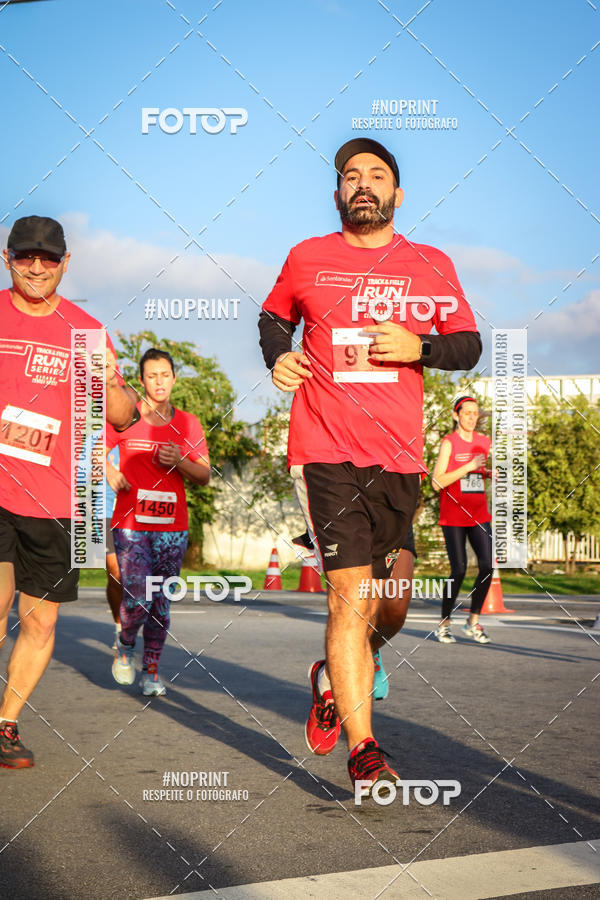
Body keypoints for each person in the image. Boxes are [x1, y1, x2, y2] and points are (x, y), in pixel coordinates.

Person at [258, 138, 482, 794]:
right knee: (350, 598)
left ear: (396, 194)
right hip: (325, 450)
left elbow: (468, 344)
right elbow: (274, 317)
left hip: (400, 458)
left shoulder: (430, 263)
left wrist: (422, 345)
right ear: (337, 194)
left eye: (376, 176)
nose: (362, 184)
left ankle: (336, 673)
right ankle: (365, 750)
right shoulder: (307, 257)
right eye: (350, 176)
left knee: (391, 607)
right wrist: (279, 356)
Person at [0, 215, 136, 769]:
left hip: (61, 497)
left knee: (42, 621)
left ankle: (5, 724)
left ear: (65, 263)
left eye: (48, 258)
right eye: (26, 255)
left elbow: (124, 416)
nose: (36, 267)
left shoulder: (86, 331)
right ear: (7, 258)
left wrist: (107, 380)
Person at [107, 348, 210, 697]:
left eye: (165, 374)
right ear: (142, 381)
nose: (159, 381)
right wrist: (109, 471)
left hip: (172, 527)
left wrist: (181, 461)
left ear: (174, 378)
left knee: (160, 602)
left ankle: (151, 670)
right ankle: (124, 642)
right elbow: (92, 448)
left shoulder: (188, 423)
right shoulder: (125, 416)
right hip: (130, 523)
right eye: (152, 376)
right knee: (137, 596)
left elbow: (205, 475)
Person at [432, 396, 494, 644]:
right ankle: (444, 624)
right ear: (456, 415)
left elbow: (476, 475)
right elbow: (437, 482)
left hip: (479, 513)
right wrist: (468, 466)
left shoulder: (484, 441)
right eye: (467, 413)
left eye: (475, 413)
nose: (472, 417)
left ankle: (473, 621)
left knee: (488, 566)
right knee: (458, 569)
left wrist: (488, 474)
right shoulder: (449, 443)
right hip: (454, 515)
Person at [105, 446, 122, 649]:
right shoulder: (97, 430)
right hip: (104, 512)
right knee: (115, 573)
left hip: (136, 513)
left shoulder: (145, 430)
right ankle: (120, 628)